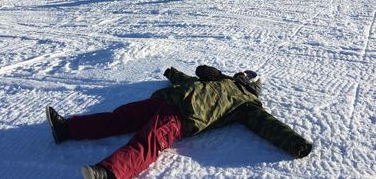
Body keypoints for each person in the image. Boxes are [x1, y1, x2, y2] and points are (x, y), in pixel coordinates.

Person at [46, 65, 312, 179]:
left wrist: (295, 143)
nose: (243, 73)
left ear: (253, 85)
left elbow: (269, 124)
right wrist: (173, 72)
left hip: (182, 117)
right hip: (165, 100)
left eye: (249, 75)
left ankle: (110, 173)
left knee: (147, 141)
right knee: (119, 116)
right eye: (243, 70)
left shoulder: (247, 103)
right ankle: (66, 128)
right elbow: (189, 79)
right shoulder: (218, 80)